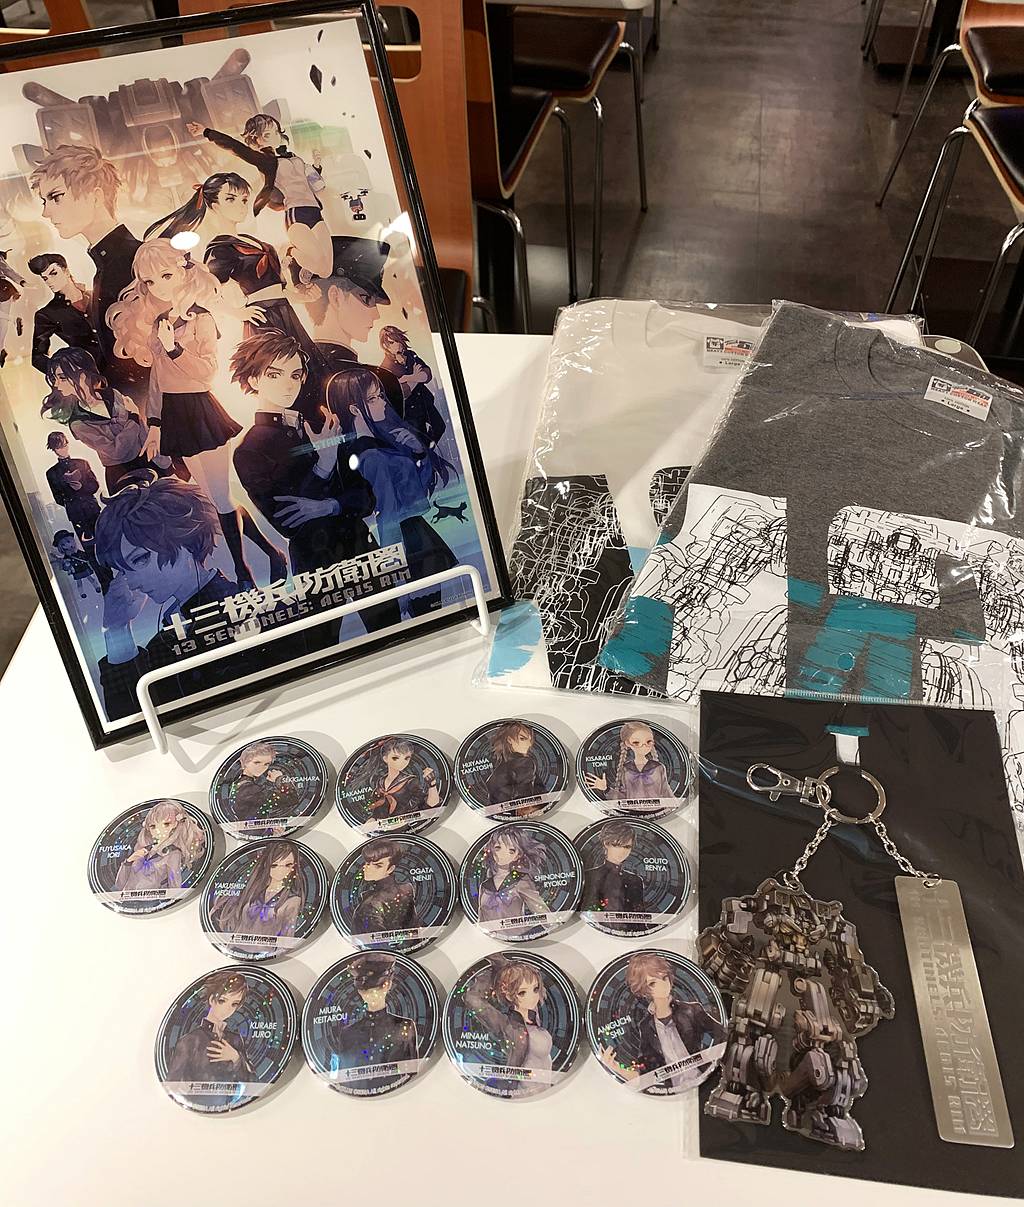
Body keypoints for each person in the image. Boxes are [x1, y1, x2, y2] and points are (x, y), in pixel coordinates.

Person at [107, 237, 285, 588]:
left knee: (221, 499)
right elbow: (158, 379)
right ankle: (272, 554)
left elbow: (206, 373)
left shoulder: (201, 318)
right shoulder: (160, 322)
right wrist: (154, 424)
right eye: (150, 281)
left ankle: (243, 572)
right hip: (174, 415)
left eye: (166, 276)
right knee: (217, 500)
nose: (159, 287)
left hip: (201, 410)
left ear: (184, 272)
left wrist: (174, 348)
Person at [146, 171, 328, 424]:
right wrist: (238, 312)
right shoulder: (220, 248)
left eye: (244, 199)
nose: (241, 206)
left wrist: (302, 295)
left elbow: (280, 288)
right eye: (230, 199)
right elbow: (206, 292)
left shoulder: (256, 241)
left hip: (285, 311)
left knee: (310, 376)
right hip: (263, 321)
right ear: (213, 204)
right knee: (279, 380)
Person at [92, 476, 241, 721]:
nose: (131, 581)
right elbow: (130, 723)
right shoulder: (163, 642)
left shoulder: (241, 610)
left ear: (185, 538)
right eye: (123, 571)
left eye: (140, 559)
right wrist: (117, 630)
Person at [325, 366, 456, 613]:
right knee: (428, 616)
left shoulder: (377, 445)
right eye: (373, 399)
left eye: (380, 396)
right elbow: (386, 517)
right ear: (354, 409)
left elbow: (416, 492)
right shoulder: (371, 456)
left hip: (414, 538)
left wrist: (418, 451)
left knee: (432, 614)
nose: (383, 403)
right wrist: (397, 578)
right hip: (408, 545)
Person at [29, 145, 147, 400]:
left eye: (56, 197)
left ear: (95, 196)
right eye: (44, 201)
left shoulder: (138, 260)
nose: (46, 212)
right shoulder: (107, 268)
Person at [186, 114, 331, 281]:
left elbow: (309, 182)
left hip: (315, 211)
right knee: (320, 266)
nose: (275, 137)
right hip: (296, 214)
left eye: (276, 132)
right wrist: (206, 132)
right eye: (267, 134)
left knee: (326, 271)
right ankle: (289, 252)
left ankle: (304, 262)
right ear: (257, 139)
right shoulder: (266, 161)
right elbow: (236, 147)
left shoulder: (293, 157)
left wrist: (317, 168)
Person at [40, 347, 165, 493]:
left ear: (82, 374)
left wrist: (164, 463)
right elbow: (117, 452)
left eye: (62, 377)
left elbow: (144, 433)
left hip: (150, 464)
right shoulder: (78, 423)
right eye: (55, 379)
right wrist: (133, 417)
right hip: (123, 477)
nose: (56, 384)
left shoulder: (112, 394)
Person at [601, 952, 727, 1090]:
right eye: (653, 983)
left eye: (664, 978)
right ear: (644, 990)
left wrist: (706, 1059)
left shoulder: (691, 1010)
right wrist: (616, 1068)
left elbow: (723, 1036)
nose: (663, 985)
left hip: (710, 1079)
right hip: (675, 1090)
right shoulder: (646, 1026)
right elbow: (646, 1075)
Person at [328, 953, 418, 1088]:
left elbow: (412, 1073)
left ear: (388, 985)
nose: (372, 995)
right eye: (366, 990)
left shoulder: (405, 1026)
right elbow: (344, 1078)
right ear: (360, 992)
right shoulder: (347, 1033)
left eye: (378, 988)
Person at [463, 956, 552, 1093]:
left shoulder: (533, 1016)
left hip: (547, 1090)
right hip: (522, 1092)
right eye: (522, 992)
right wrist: (500, 968)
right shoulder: (508, 1026)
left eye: (535, 989)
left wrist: (511, 970)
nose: (532, 997)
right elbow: (472, 999)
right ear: (509, 995)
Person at [165, 969, 254, 1085]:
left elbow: (252, 1082)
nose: (228, 1009)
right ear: (212, 1000)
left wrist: (236, 1058)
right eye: (222, 1000)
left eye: (234, 1004)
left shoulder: (235, 1039)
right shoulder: (190, 1041)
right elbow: (172, 1084)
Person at [210, 840, 305, 939]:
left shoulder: (293, 900)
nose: (280, 870)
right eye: (274, 865)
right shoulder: (252, 890)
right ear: (266, 865)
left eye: (288, 865)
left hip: (267, 947)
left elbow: (287, 938)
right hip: (235, 943)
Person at [114, 799, 208, 897]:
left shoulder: (173, 854)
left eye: (166, 824)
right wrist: (128, 861)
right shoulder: (143, 850)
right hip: (127, 900)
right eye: (153, 826)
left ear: (175, 824)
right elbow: (119, 885)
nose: (158, 830)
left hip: (151, 902)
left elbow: (174, 889)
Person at [27, 252, 100, 375]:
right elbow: (37, 358)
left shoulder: (97, 296)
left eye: (53, 273)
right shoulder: (47, 314)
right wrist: (68, 373)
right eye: (45, 278)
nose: (49, 281)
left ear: (66, 271)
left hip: (128, 366)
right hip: (94, 377)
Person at [378, 325, 445, 448]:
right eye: (392, 342)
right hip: (410, 412)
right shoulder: (386, 368)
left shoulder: (410, 355)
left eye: (398, 340)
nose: (397, 345)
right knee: (418, 439)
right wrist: (415, 377)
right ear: (385, 345)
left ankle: (428, 450)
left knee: (439, 427)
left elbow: (427, 374)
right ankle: (424, 453)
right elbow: (403, 393)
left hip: (425, 402)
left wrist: (409, 378)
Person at [350, 737, 440, 824]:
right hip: (383, 826)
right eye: (396, 758)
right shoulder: (381, 782)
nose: (402, 762)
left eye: (406, 758)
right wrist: (373, 819)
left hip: (404, 825)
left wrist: (432, 784)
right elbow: (378, 807)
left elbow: (431, 806)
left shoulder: (411, 781)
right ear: (385, 759)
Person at [220, 740, 302, 833]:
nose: (261, 767)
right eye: (257, 762)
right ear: (245, 762)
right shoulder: (249, 788)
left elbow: (257, 805)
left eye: (266, 764)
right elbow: (292, 799)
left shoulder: (240, 784)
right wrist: (280, 779)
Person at [583, 721, 675, 802]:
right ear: (627, 743)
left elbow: (667, 793)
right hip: (631, 812)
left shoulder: (658, 767)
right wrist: (606, 789)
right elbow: (623, 796)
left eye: (648, 742)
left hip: (658, 809)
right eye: (636, 743)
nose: (644, 746)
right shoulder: (626, 768)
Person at [477, 825, 548, 926]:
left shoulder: (521, 880)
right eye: (498, 848)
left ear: (518, 855)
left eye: (511, 850)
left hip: (519, 932)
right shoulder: (484, 886)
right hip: (491, 934)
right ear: (491, 850)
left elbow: (543, 913)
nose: (502, 854)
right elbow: (481, 921)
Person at [350, 838, 417, 936]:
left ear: (390, 869)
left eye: (378, 865)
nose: (368, 868)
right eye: (367, 863)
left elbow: (377, 941)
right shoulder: (405, 890)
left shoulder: (371, 904)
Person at [45, 430, 100, 548]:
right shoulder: (52, 473)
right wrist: (70, 495)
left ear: (68, 444)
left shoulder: (82, 463)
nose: (63, 450)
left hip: (92, 508)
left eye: (64, 445)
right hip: (76, 514)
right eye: (58, 448)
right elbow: (58, 498)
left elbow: (95, 485)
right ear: (53, 449)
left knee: (104, 538)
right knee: (88, 546)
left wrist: (82, 488)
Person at [581, 820, 645, 914]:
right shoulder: (589, 876)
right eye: (617, 845)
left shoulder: (635, 880)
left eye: (627, 847)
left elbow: (640, 916)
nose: (622, 851)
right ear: (606, 843)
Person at [485, 721, 548, 811]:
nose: (529, 744)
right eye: (522, 738)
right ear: (509, 740)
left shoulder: (500, 768)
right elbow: (525, 801)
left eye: (530, 740)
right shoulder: (523, 762)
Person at [50, 529, 101, 598]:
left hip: (84, 567)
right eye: (63, 544)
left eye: (68, 541)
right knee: (79, 582)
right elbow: (65, 568)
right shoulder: (66, 557)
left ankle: (97, 587)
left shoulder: (78, 552)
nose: (67, 545)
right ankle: (82, 593)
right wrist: (67, 564)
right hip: (76, 570)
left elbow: (85, 557)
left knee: (90, 578)